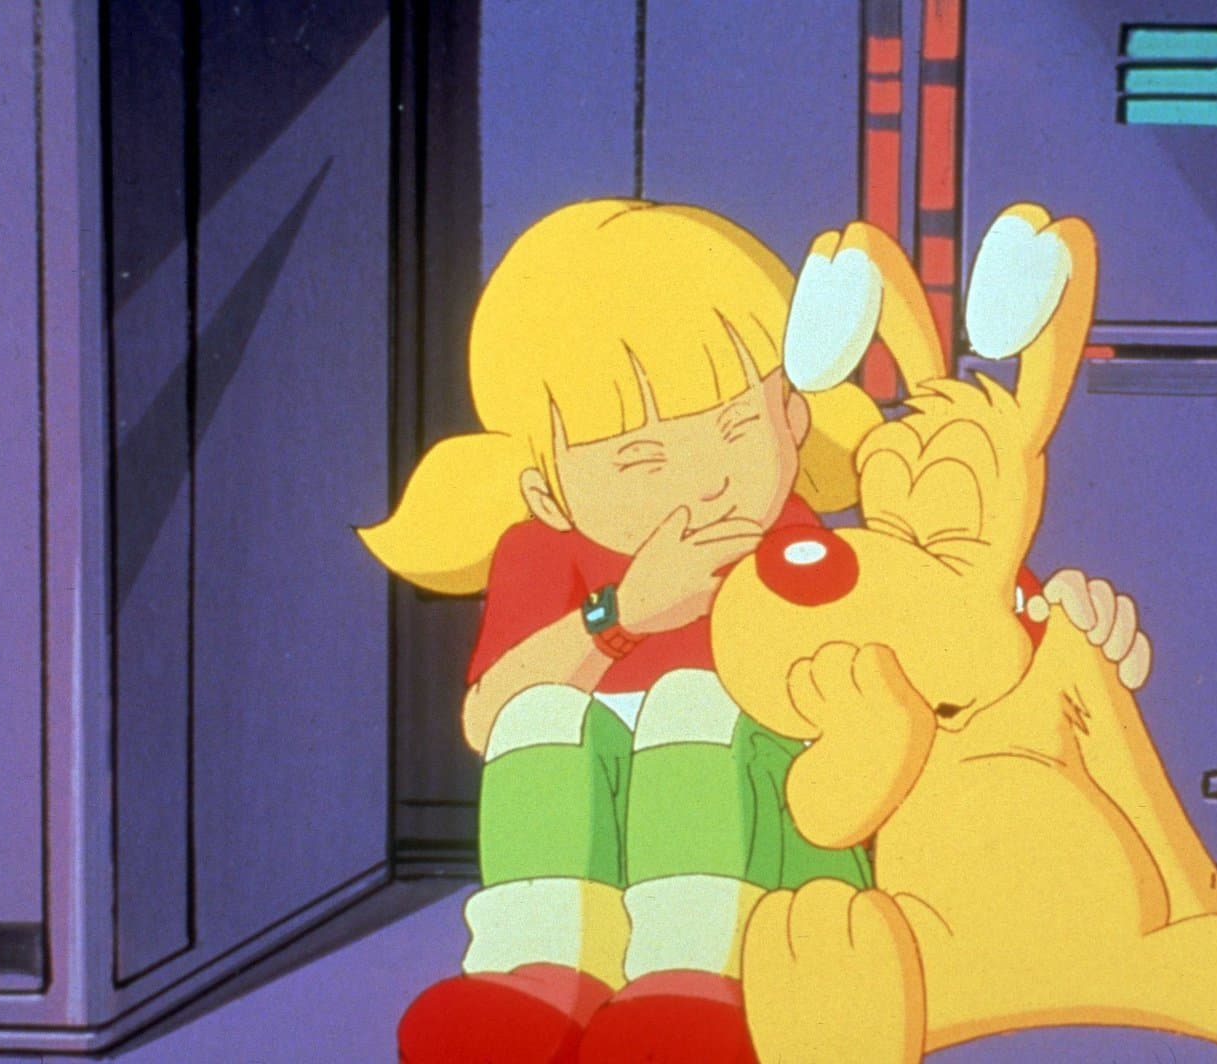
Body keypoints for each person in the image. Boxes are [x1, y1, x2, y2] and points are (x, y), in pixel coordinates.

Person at [360, 198, 1149, 1062]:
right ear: (547, 489)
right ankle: (538, 974)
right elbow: (490, 721)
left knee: (692, 703)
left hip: (775, 869)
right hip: (603, 872)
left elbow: (956, 625)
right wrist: (621, 617)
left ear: (793, 419)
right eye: (641, 458)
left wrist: (1059, 620)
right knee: (543, 717)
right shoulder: (543, 554)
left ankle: (697, 979)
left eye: (738, 427)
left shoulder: (807, 547)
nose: (706, 482)